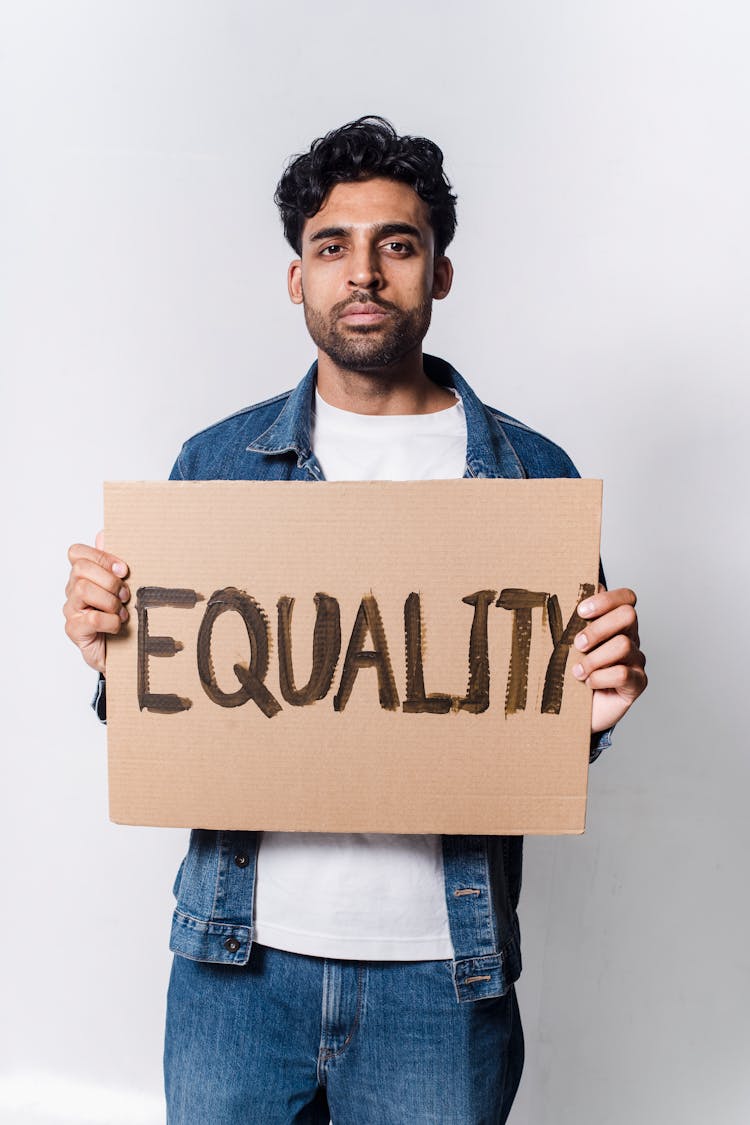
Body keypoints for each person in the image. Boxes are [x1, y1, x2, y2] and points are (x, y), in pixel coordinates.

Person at [63, 117, 647, 1124]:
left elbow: (535, 739)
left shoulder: (532, 478)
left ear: (441, 274)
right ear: (297, 278)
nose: (363, 272)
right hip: (236, 968)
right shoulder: (215, 465)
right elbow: (169, 717)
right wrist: (109, 650)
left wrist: (598, 707)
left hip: (441, 978)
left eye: (398, 244)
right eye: (332, 247)